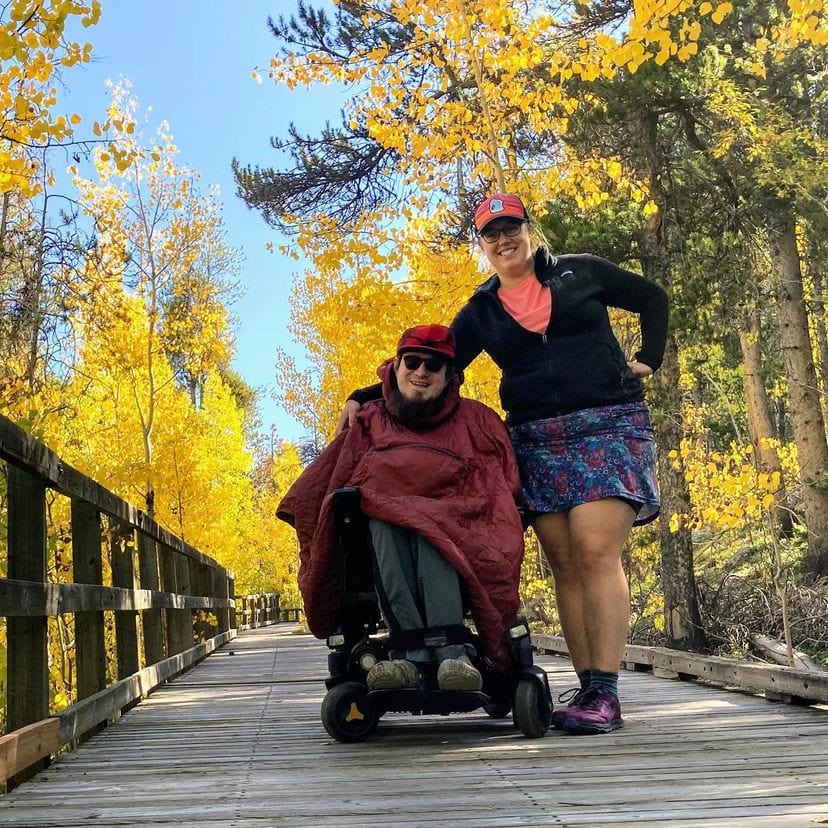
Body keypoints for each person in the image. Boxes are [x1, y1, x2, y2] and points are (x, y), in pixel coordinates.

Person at [338, 193, 668, 734]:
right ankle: (586, 685)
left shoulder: (580, 272)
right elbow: (434, 363)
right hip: (534, 437)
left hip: (607, 422)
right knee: (564, 561)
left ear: (528, 229)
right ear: (482, 246)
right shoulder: (481, 312)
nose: (503, 239)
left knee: (595, 548)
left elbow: (652, 297)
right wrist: (363, 395)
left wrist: (647, 360)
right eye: (491, 233)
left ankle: (606, 692)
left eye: (511, 227)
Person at [278, 324, 525, 693]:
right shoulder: (369, 419)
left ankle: (452, 653)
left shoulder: (477, 420)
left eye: (433, 365)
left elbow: (502, 482)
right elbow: (328, 479)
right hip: (384, 530)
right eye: (412, 362)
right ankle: (407, 655)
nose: (421, 372)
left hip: (456, 528)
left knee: (431, 531)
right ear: (395, 367)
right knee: (386, 520)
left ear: (450, 375)